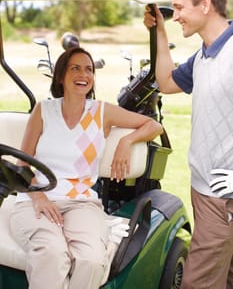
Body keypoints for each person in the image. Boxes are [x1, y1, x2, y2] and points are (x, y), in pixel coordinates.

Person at [9, 46, 162, 289]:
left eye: (89, 69)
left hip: (81, 202)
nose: (84, 74)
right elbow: (22, 163)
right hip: (36, 199)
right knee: (52, 253)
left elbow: (154, 126)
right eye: (75, 68)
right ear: (61, 76)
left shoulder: (101, 112)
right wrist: (38, 196)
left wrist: (126, 141)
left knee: (91, 259)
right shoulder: (43, 110)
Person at [144, 0, 233, 289]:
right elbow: (166, 82)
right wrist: (160, 32)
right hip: (204, 190)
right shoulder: (204, 56)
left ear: (205, 4)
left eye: (179, 7)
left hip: (222, 198)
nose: (176, 14)